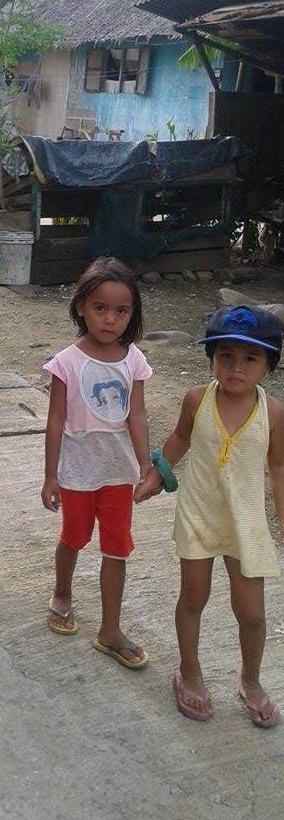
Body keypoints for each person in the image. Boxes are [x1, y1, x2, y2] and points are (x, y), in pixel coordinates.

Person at [135, 305, 284, 726]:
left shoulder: (273, 412)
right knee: (193, 599)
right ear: (211, 358)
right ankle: (190, 672)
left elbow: (278, 466)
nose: (236, 367)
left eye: (250, 358)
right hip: (199, 515)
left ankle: (251, 681)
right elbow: (179, 438)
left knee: (252, 614)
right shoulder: (197, 399)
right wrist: (156, 474)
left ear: (269, 365)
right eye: (225, 356)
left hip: (246, 524)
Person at [41, 257, 152, 668]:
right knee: (73, 536)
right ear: (81, 307)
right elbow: (55, 421)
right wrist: (50, 476)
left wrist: (145, 465)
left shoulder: (134, 360)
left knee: (117, 547)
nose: (110, 319)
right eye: (100, 308)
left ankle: (110, 629)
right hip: (77, 472)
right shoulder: (66, 362)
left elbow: (136, 416)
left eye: (121, 310)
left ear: (132, 314)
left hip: (118, 473)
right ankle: (62, 592)